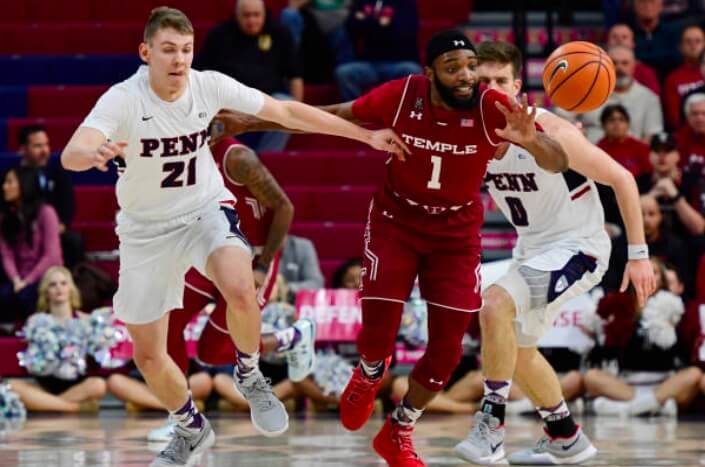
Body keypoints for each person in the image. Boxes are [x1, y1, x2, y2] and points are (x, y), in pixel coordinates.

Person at [60, 7, 407, 467]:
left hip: (204, 210)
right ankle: (189, 427)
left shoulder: (209, 85)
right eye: (167, 50)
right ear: (146, 53)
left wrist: (362, 136)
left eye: (185, 49)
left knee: (241, 286)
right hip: (146, 231)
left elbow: (285, 110)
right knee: (148, 355)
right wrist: (95, 152)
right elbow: (71, 153)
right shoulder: (123, 99)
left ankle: (249, 372)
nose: (179, 59)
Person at [211, 29, 570, 466]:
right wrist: (252, 121)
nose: (466, 76)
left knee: (445, 353)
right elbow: (333, 113)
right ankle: (369, 372)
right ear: (429, 73)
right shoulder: (404, 96)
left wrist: (531, 139)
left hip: (455, 235)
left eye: (472, 67)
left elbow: (557, 161)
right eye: (453, 67)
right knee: (378, 337)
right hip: (396, 221)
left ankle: (398, 430)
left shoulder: (492, 106)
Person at [453, 41, 655, 465]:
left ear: (516, 88)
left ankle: (491, 427)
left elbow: (622, 179)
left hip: (579, 247)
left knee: (494, 305)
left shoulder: (553, 131)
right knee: (519, 350)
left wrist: (638, 255)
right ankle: (566, 435)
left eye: (500, 81)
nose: (491, 89)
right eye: (483, 81)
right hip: (532, 248)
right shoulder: (470, 133)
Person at [144, 135, 316, 440]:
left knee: (213, 352)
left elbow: (284, 208)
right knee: (169, 320)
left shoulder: (237, 159)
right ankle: (183, 418)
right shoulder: (178, 156)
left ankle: (293, 336)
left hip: (252, 257)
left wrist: (263, 266)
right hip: (208, 253)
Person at [585, 258, 701, 417]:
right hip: (627, 385)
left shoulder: (675, 306)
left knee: (694, 374)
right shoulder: (619, 305)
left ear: (662, 279)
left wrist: (671, 326)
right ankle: (652, 406)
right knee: (591, 376)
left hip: (664, 384)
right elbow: (609, 352)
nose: (648, 276)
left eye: (654, 272)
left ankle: (627, 409)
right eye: (644, 271)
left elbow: (683, 349)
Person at [196, 0, 303, 152]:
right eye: (246, 15)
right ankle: (228, 156)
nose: (252, 20)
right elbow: (200, 73)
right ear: (237, 15)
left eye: (256, 15)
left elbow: (295, 75)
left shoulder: (280, 33)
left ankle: (265, 157)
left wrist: (299, 113)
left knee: (286, 103)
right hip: (229, 101)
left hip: (269, 99)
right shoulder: (219, 35)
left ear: (265, 14)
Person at [9, 266, 107, 412]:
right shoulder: (35, 321)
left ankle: (44, 405)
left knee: (99, 385)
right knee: (12, 386)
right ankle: (72, 407)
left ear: (71, 289)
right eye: (52, 285)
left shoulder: (85, 321)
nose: (59, 288)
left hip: (76, 386)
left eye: (63, 283)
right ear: (46, 292)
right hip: (44, 385)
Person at [0, 166, 63, 325]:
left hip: (44, 277)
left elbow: (52, 255)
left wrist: (27, 281)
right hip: (19, 278)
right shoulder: (6, 217)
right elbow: (6, 254)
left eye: (9, 182)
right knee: (5, 295)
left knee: (26, 296)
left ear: (24, 184)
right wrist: (16, 280)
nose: (4, 187)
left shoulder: (46, 212)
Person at [17, 124, 84, 268]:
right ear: (23, 149)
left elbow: (68, 208)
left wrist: (54, 229)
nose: (44, 150)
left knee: (73, 241)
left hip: (54, 231)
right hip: (23, 233)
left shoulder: (58, 172)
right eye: (37, 146)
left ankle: (69, 285)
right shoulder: (13, 175)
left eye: (46, 145)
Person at [663, 25, 705, 129]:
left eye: (698, 41)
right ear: (680, 46)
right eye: (688, 42)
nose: (693, 45)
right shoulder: (673, 79)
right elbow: (674, 119)